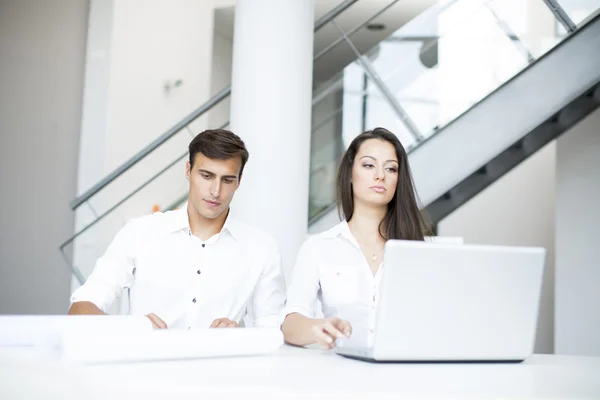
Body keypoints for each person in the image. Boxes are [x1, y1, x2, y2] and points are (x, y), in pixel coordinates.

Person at [69, 129, 286, 330]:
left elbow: (272, 329)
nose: (215, 191)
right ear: (188, 171)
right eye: (206, 176)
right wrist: (130, 329)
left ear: (238, 182)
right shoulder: (140, 233)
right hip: (144, 367)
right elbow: (81, 307)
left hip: (220, 370)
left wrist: (240, 334)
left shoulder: (261, 249)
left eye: (227, 180)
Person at [281, 127, 430, 348]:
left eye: (391, 168)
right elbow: (290, 323)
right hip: (341, 376)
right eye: (369, 165)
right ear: (350, 173)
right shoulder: (318, 247)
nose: (380, 175)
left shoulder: (420, 251)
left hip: (403, 374)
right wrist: (317, 327)